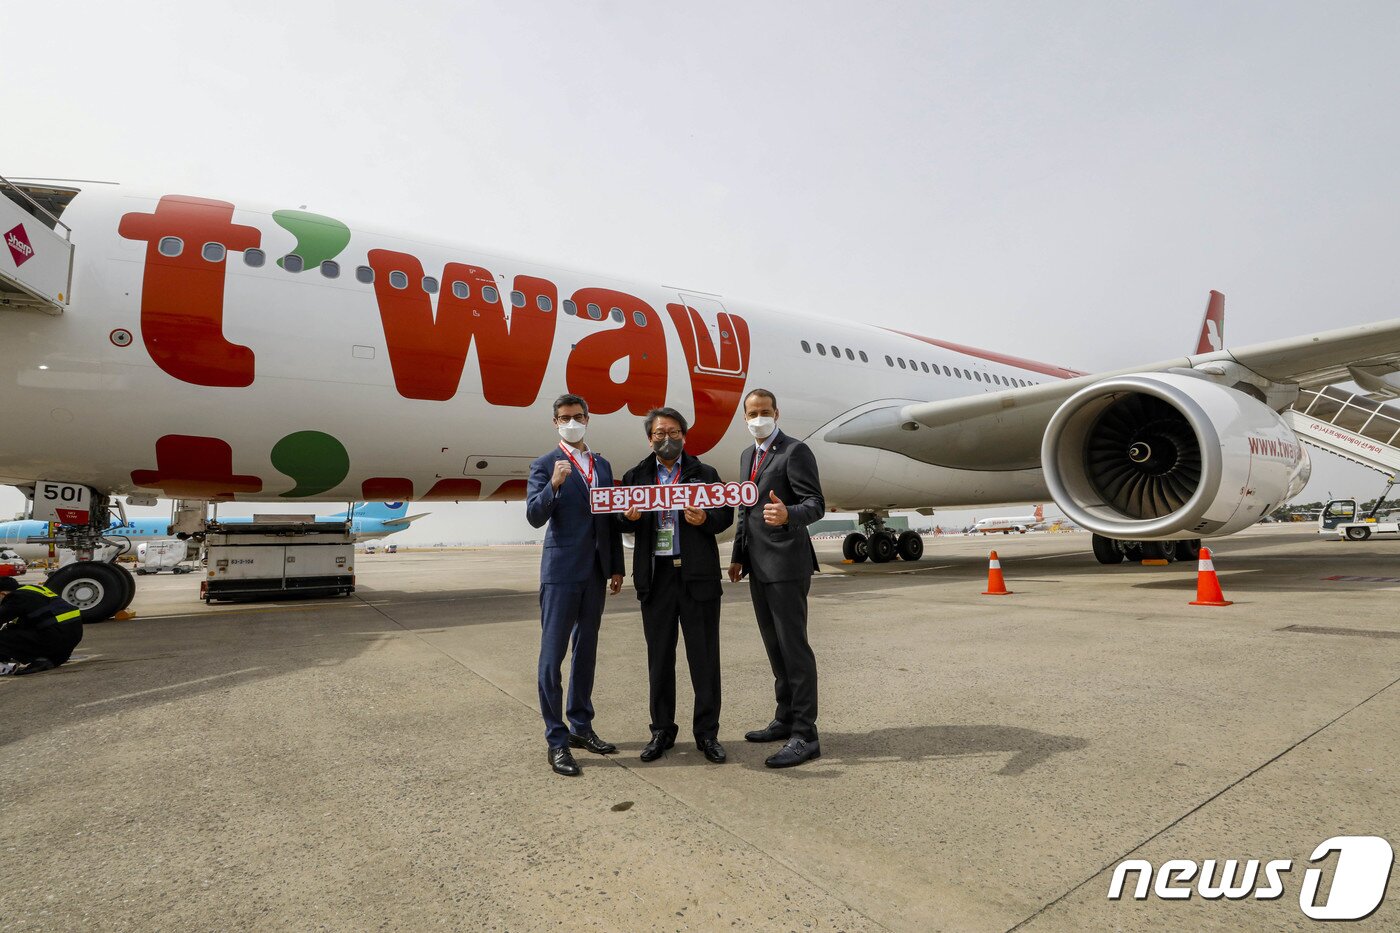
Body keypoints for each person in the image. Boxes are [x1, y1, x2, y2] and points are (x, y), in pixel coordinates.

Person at [617, 407, 734, 764]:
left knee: (704, 660)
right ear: (649, 439)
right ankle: (661, 731)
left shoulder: (705, 473)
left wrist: (705, 518)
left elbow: (724, 515)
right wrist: (628, 518)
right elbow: (619, 519)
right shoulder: (635, 476)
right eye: (659, 434)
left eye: (673, 432)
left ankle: (707, 734)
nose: (666, 439)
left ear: (684, 435)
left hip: (697, 577)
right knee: (659, 660)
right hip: (657, 579)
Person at [526, 393, 625, 777]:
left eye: (578, 416)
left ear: (587, 418)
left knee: (586, 653)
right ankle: (556, 739)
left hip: (595, 573)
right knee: (551, 660)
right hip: (561, 572)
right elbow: (534, 516)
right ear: (555, 422)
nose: (572, 423)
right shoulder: (544, 464)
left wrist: (615, 567)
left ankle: (581, 726)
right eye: (565, 417)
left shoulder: (602, 465)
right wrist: (553, 485)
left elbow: (608, 519)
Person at [728, 388, 826, 768]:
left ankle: (805, 734)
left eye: (765, 412)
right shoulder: (747, 456)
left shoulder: (794, 451)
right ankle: (784, 719)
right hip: (757, 564)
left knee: (794, 649)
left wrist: (789, 515)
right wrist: (738, 556)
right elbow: (745, 510)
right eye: (752, 413)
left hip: (787, 565)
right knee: (775, 648)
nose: (759, 418)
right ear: (745, 417)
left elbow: (815, 503)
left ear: (776, 413)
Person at [0, 578, 83, 676]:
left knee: (3, 636)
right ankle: (48, 659)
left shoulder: (15, 597)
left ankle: (3, 664)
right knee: (14, 628)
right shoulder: (34, 590)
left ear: (3, 594)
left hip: (55, 636)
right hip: (73, 635)